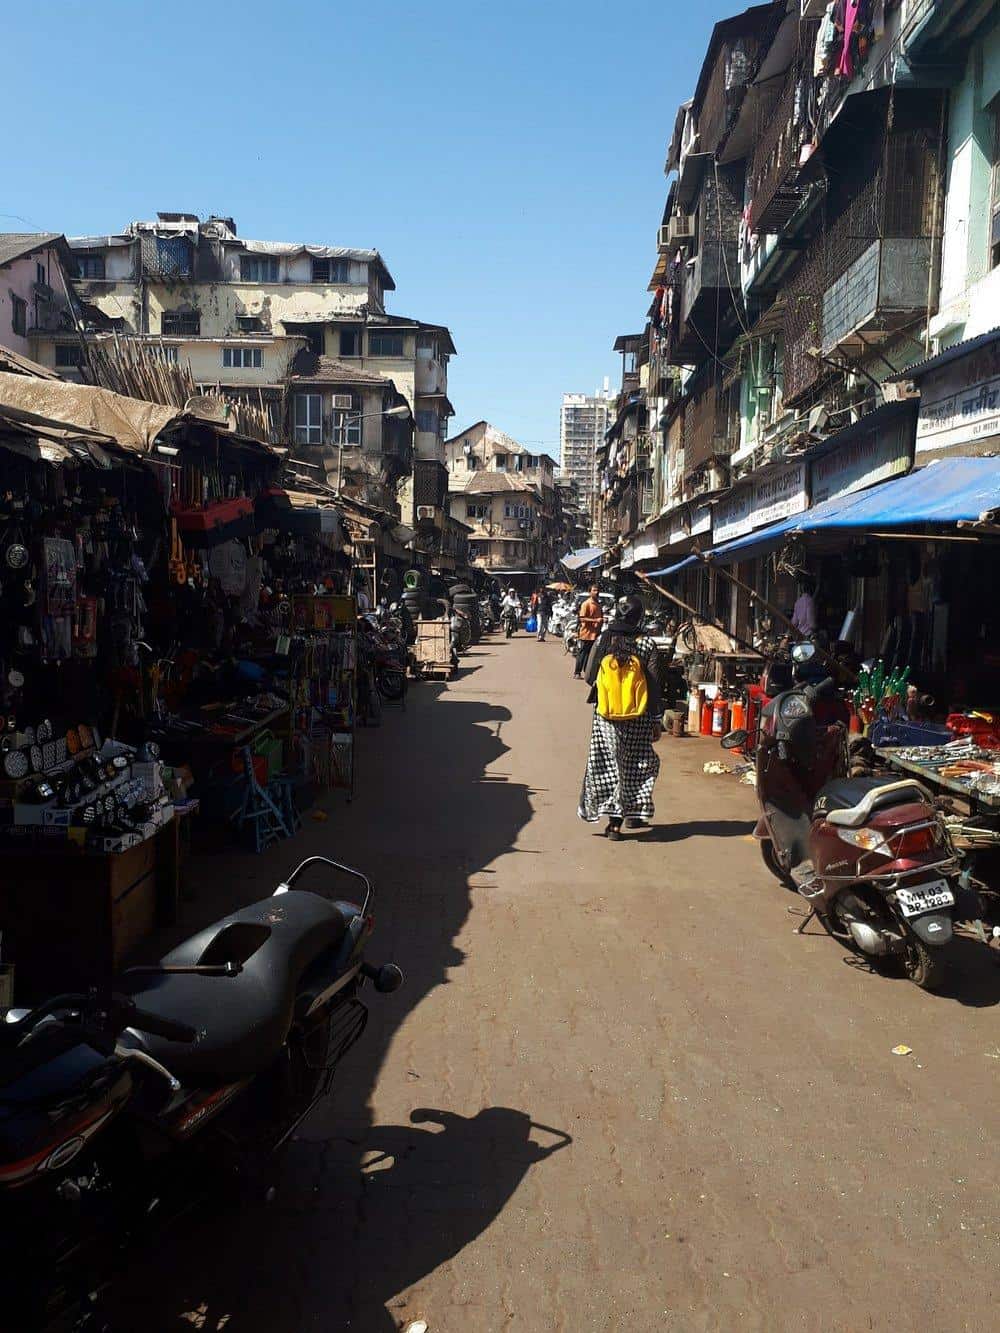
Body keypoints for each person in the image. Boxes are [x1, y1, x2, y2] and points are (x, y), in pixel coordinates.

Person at [578, 595, 663, 841]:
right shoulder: (647, 644)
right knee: (639, 764)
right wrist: (656, 719)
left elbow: (589, 676)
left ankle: (613, 824)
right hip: (640, 717)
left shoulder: (605, 638)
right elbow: (655, 684)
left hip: (606, 718)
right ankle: (634, 812)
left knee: (610, 766)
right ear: (639, 617)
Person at [574, 584, 604, 679]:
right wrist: (596, 620)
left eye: (597, 590)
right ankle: (577, 672)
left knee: (591, 654)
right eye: (594, 590)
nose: (596, 592)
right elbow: (582, 619)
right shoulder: (586, 604)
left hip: (595, 633)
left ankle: (587, 672)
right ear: (590, 592)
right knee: (582, 653)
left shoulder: (598, 604)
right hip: (586, 633)